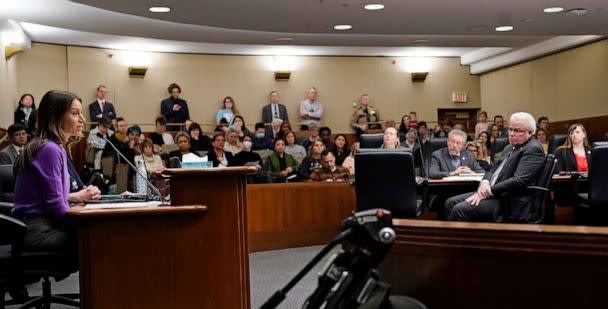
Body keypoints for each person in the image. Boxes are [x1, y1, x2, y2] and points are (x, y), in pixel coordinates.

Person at [13, 90, 86, 265]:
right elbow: (55, 206)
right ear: (56, 117)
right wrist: (86, 225)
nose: (82, 119)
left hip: (44, 224)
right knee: (99, 238)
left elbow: (57, 198)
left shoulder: (56, 147)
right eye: (75, 113)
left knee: (98, 233)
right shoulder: (50, 149)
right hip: (38, 230)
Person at [444, 112, 545, 223]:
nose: (511, 134)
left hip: (509, 200)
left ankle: (464, 240)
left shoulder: (533, 148)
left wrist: (487, 192)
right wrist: (485, 182)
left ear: (530, 132)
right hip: (495, 193)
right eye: (510, 129)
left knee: (459, 210)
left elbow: (519, 180)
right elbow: (492, 169)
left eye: (516, 130)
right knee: (450, 202)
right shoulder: (509, 147)